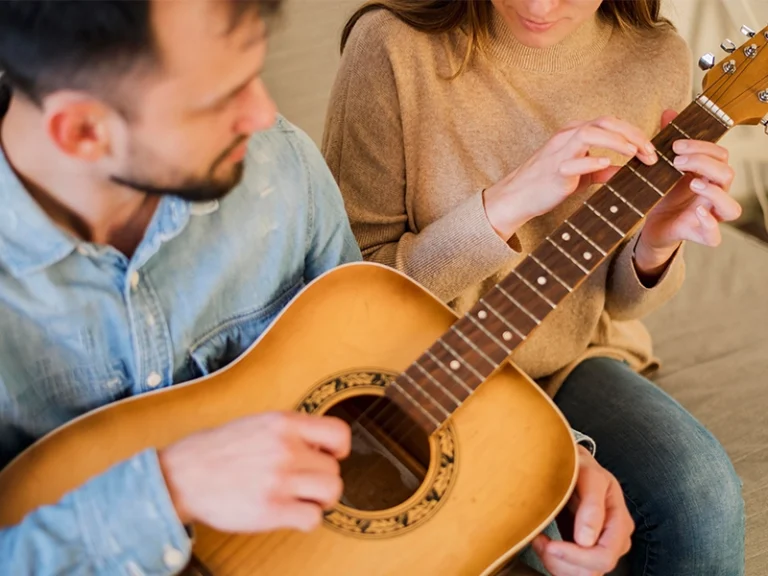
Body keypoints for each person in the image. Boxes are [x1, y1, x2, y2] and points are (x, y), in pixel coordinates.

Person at [322, 1, 745, 575]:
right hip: (412, 370)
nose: (540, 5)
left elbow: (618, 303)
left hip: (565, 361)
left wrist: (657, 242)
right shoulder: (392, 47)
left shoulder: (654, 56)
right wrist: (509, 202)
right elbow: (347, 293)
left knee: (702, 497)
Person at [0, 1, 361, 573]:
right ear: (84, 132)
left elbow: (368, 368)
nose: (265, 115)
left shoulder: (280, 167)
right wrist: (169, 488)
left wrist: (542, 482)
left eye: (253, 76)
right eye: (222, 99)